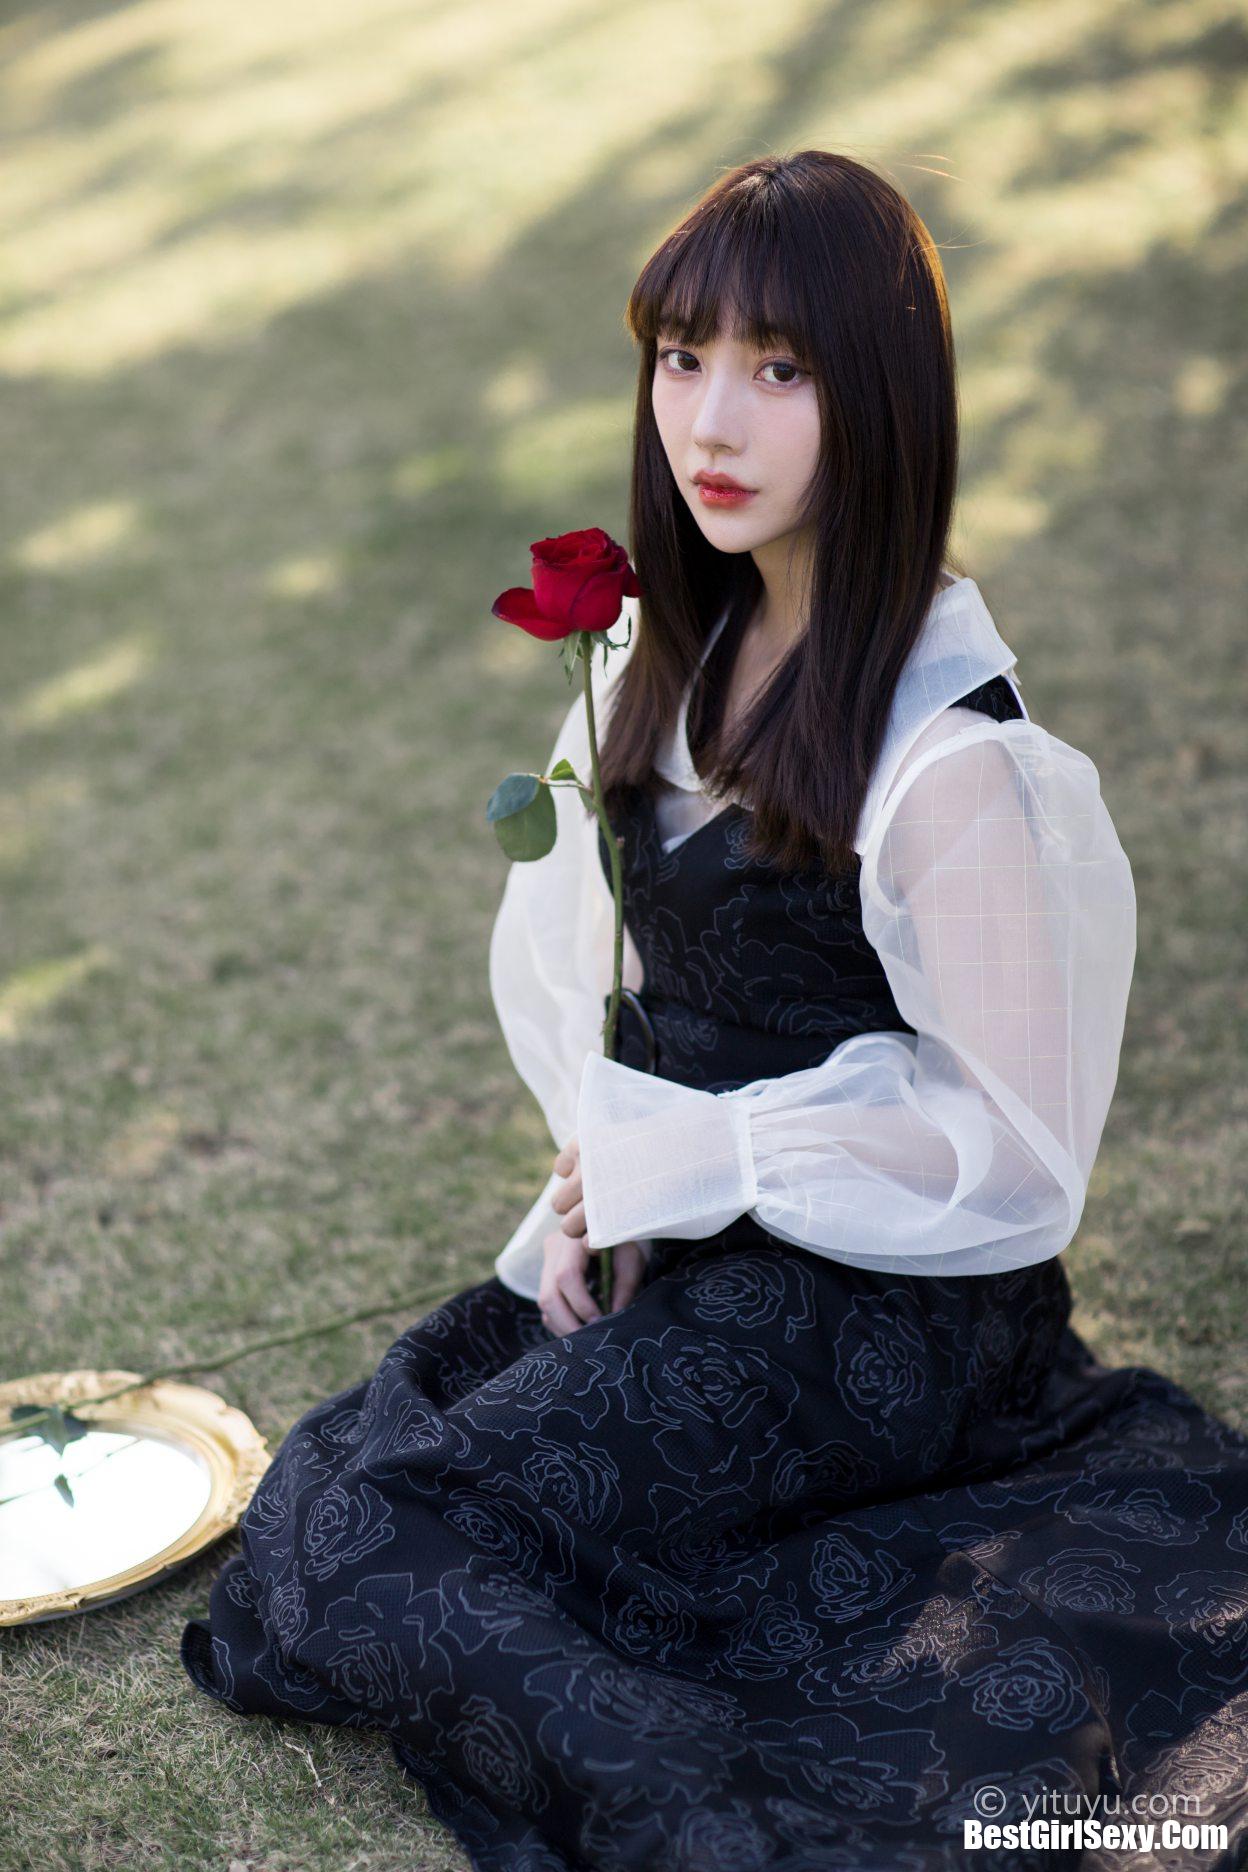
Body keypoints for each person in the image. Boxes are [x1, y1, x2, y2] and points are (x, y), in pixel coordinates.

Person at [181, 151, 1248, 1871]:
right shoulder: (670, 659)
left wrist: (714, 1158)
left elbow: (1015, 1152)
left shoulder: (947, 763)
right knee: (355, 1469)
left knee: (387, 1533)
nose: (711, 420)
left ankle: (731, 1820)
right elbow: (618, 989)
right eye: (682, 357)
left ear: (878, 394)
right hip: (702, 1258)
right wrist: (599, 1182)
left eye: (780, 367)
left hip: (892, 1307)